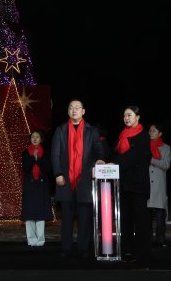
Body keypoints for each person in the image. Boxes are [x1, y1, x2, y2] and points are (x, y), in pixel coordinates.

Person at [51, 99, 106, 258]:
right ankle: (66, 248)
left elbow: (98, 150)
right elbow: (55, 155)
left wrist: (100, 159)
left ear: (83, 111)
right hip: (65, 179)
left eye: (77, 108)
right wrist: (58, 173)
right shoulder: (61, 130)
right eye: (71, 108)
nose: (74, 110)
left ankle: (83, 248)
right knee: (66, 218)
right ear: (68, 111)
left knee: (84, 218)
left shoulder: (92, 131)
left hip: (85, 180)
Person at [112, 105, 152, 265]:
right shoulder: (123, 135)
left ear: (138, 117)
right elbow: (114, 152)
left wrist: (113, 163)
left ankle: (143, 255)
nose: (126, 118)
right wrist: (104, 161)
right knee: (126, 221)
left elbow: (132, 158)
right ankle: (127, 251)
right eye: (124, 116)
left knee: (141, 222)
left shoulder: (143, 136)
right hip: (124, 184)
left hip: (138, 186)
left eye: (129, 115)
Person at [22, 129, 51, 247]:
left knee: (40, 214)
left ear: (41, 139)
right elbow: (26, 168)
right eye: (33, 137)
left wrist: (38, 159)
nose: (34, 139)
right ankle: (31, 240)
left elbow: (47, 169)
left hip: (41, 185)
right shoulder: (25, 152)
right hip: (29, 185)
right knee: (29, 214)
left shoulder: (45, 152)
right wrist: (32, 158)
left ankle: (40, 241)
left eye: (37, 137)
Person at [147, 123, 171, 246]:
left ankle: (160, 238)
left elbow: (166, 165)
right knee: (147, 215)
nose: (151, 132)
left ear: (160, 133)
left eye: (154, 130)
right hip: (146, 185)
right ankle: (147, 238)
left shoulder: (166, 148)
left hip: (159, 186)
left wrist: (151, 159)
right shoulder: (144, 147)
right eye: (150, 130)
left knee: (160, 215)